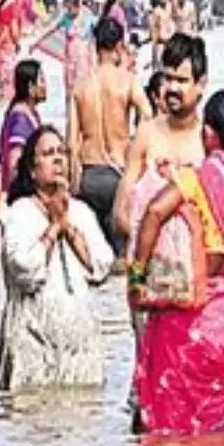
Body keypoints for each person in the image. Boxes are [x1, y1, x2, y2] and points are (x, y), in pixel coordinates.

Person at [130, 90, 224, 435]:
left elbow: (155, 212)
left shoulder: (199, 176)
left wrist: (136, 277)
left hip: (190, 318)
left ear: (210, 134)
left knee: (169, 429)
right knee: (215, 430)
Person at [0, 125, 114, 391]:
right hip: (33, 347)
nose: (59, 159)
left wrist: (69, 228)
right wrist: (53, 229)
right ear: (32, 169)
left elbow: (101, 266)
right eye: (49, 153)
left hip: (81, 352)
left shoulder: (82, 212)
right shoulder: (20, 213)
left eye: (62, 152)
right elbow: (24, 269)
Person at [70, 17, 151, 262]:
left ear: (96, 47)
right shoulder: (127, 81)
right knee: (122, 259)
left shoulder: (80, 86)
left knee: (93, 258)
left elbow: (71, 143)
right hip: (118, 175)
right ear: (119, 47)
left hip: (88, 176)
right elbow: (149, 117)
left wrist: (74, 183)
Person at [0, 60, 45, 192]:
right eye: (41, 80)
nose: (45, 86)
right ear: (31, 87)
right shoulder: (20, 119)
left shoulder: (31, 114)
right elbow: (14, 163)